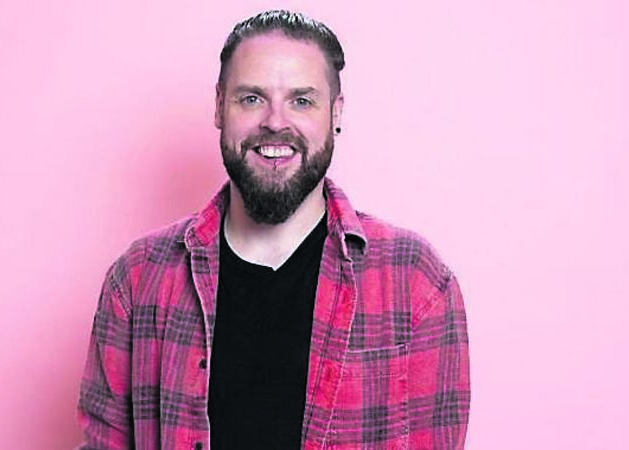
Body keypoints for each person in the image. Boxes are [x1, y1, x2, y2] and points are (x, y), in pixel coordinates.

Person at [77, 10, 470, 450]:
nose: (276, 122)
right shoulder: (138, 279)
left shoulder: (415, 282)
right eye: (251, 98)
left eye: (302, 100)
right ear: (219, 107)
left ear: (336, 113)